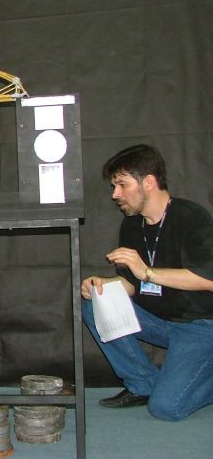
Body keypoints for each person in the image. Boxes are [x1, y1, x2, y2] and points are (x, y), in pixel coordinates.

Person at [81, 144, 213, 421]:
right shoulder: (132, 224)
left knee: (167, 408)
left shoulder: (191, 217)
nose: (115, 194)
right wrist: (103, 284)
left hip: (200, 325)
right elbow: (131, 283)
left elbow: (208, 278)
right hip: (161, 322)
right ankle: (143, 384)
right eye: (114, 186)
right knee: (95, 303)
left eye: (122, 185)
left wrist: (147, 273)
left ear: (149, 182)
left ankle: (174, 387)